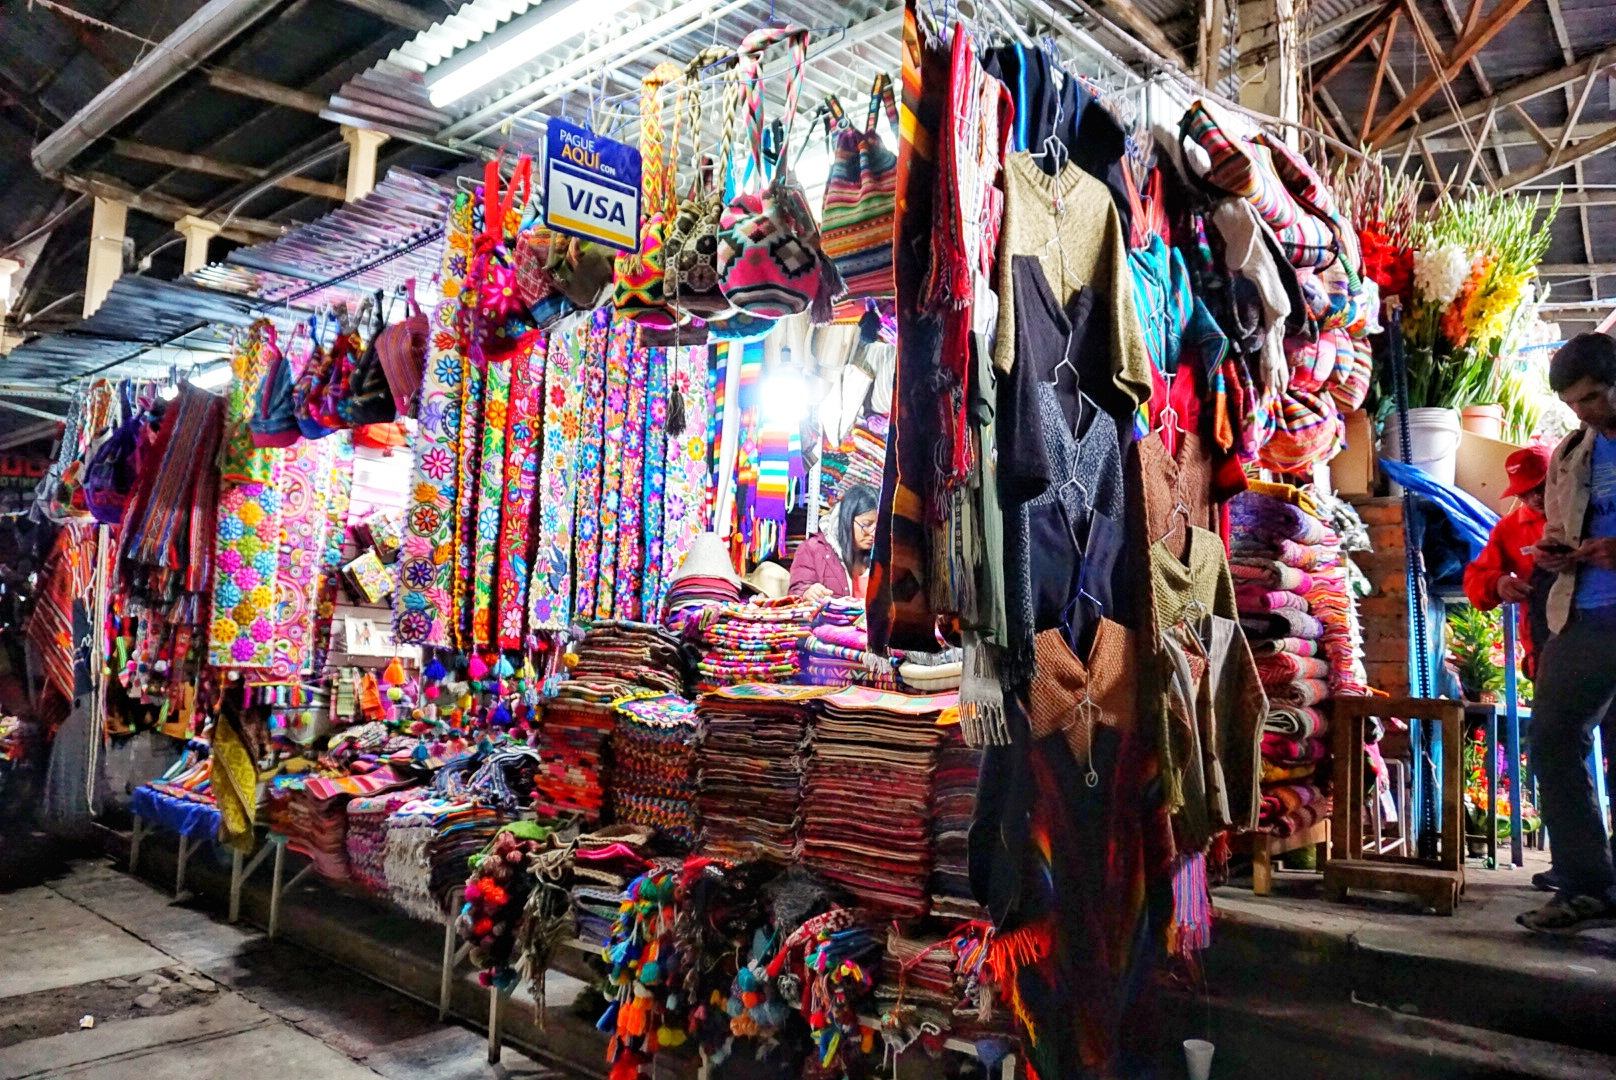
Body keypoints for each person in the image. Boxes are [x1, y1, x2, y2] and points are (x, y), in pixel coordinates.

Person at [1518, 332, 1616, 934]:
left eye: (1595, 397)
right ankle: (1586, 884)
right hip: (1583, 616)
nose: (1587, 411)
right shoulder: (1571, 455)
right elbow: (1558, 524)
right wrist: (1556, 553)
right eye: (1576, 403)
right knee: (1552, 736)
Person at [1463, 443, 1553, 676]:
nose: (1535, 497)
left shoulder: (1594, 513)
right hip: (1543, 644)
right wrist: (1498, 583)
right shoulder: (1509, 529)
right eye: (1524, 492)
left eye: (1540, 487)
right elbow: (1475, 580)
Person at [789, 484, 879, 604]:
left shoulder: (882, 555)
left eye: (879, 526)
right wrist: (807, 593)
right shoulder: (812, 550)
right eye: (866, 524)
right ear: (847, 519)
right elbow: (796, 594)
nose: (874, 533)